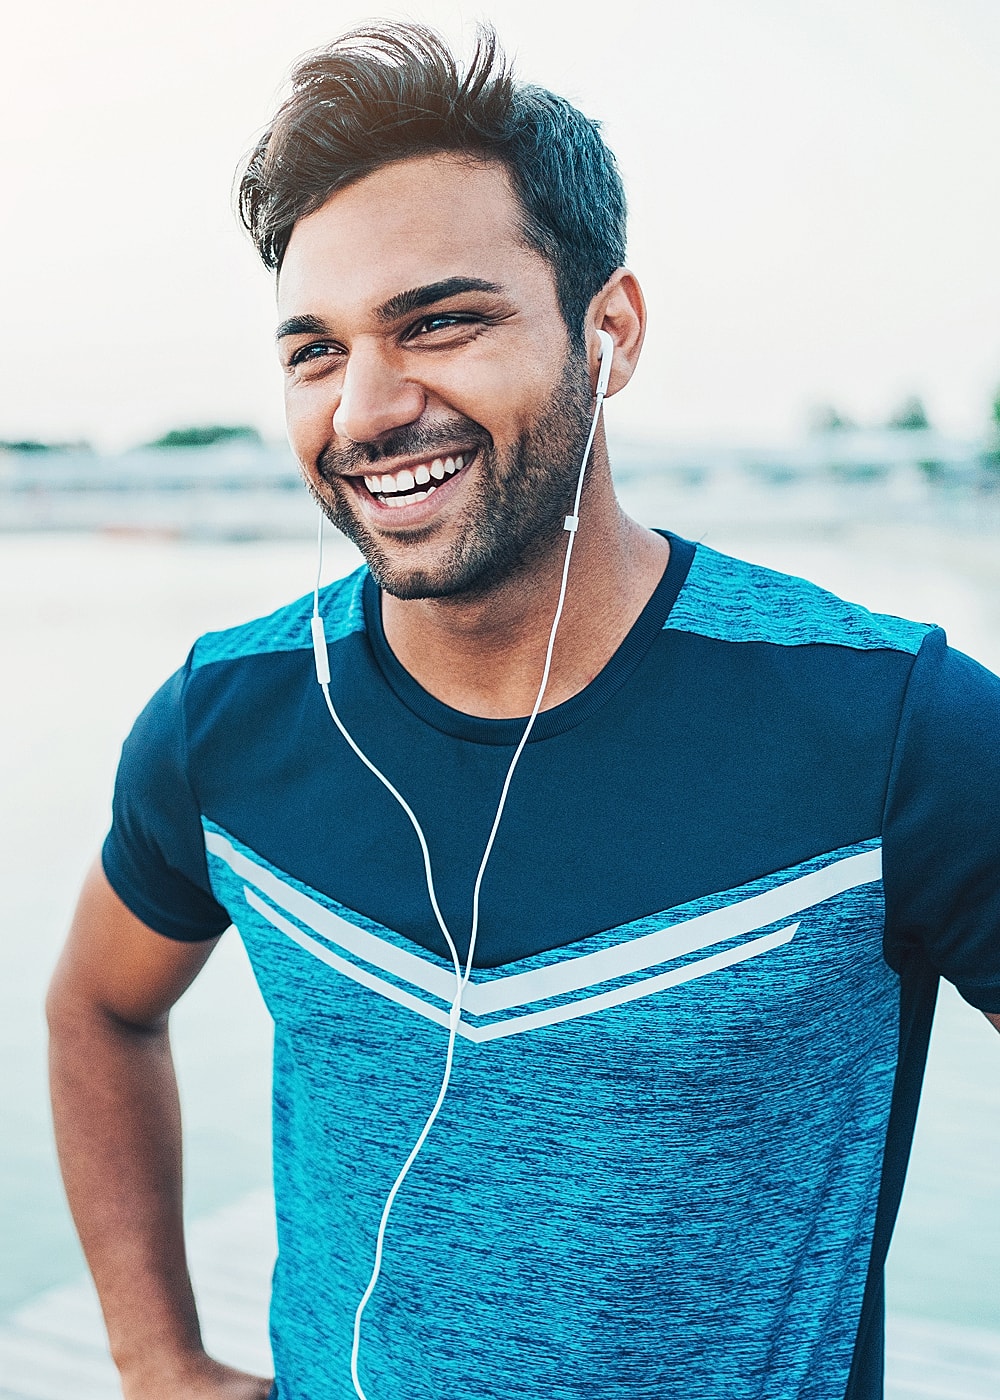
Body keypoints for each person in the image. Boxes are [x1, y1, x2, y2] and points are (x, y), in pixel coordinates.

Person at [46, 22, 1000, 1400]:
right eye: (316, 351)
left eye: (440, 320)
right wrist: (151, 1358)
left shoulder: (889, 722)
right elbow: (97, 1010)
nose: (366, 410)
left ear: (607, 332)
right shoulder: (227, 718)